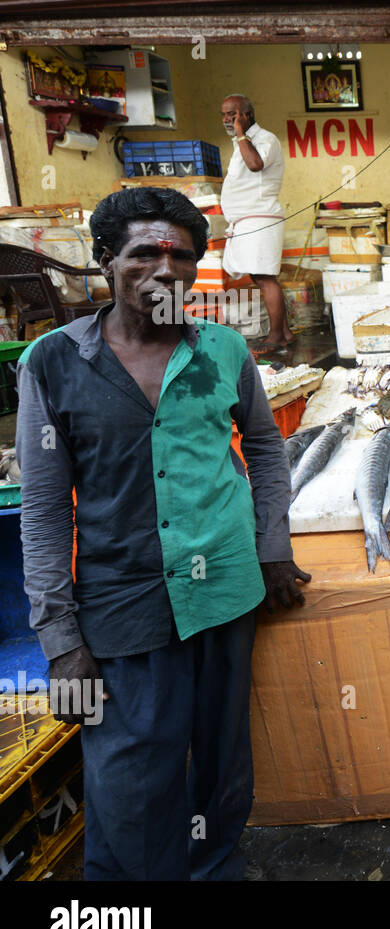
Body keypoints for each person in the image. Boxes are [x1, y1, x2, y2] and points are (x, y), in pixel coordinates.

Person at [16, 187, 311, 880]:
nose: (164, 269)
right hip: (123, 608)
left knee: (220, 763)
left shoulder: (222, 349)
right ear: (105, 261)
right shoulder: (54, 363)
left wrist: (272, 548)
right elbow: (44, 508)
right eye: (144, 252)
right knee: (130, 783)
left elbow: (265, 450)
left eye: (180, 255)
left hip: (225, 592)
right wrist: (60, 642)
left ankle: (215, 869)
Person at [220, 94, 293, 352]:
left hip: (260, 217)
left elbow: (255, 164)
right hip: (249, 219)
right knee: (262, 276)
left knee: (265, 278)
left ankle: (275, 338)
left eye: (233, 114)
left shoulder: (265, 139)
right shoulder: (243, 142)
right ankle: (284, 332)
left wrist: (240, 133)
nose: (228, 119)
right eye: (225, 115)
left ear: (247, 114)